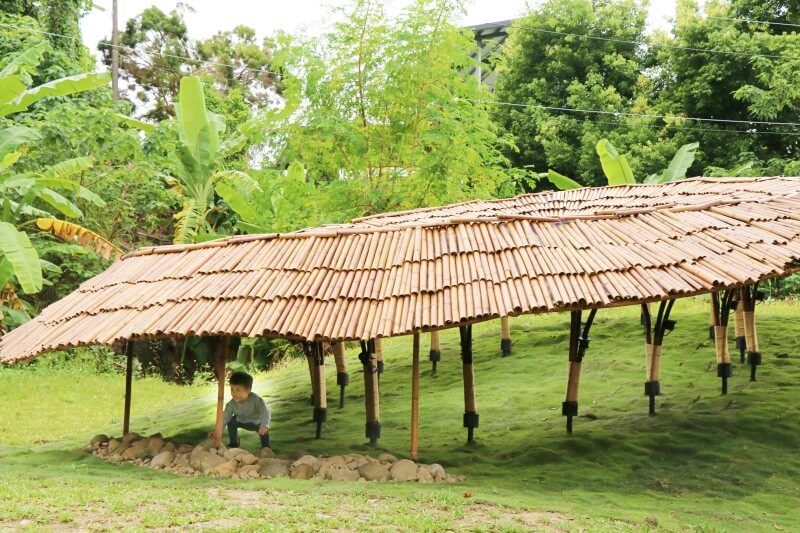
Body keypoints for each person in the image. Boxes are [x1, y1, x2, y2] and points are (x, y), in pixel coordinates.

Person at [210, 371, 271, 449]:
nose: (234, 393)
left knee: (264, 430)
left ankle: (266, 447)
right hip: (241, 420)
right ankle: (234, 443)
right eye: (232, 389)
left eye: (238, 390)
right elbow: (225, 417)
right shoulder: (231, 404)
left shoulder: (256, 400)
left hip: (256, 422)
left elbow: (265, 412)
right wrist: (218, 430)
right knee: (231, 421)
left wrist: (264, 425)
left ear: (248, 390)